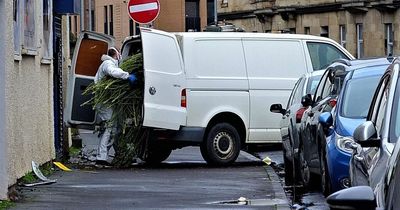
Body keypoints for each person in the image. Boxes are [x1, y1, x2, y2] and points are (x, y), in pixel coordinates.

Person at [94, 47, 136, 166]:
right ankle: (101, 157)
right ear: (116, 55)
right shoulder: (108, 64)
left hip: (108, 102)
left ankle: (119, 153)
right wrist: (127, 76)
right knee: (109, 127)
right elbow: (113, 72)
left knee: (115, 128)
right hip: (105, 102)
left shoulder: (109, 64)